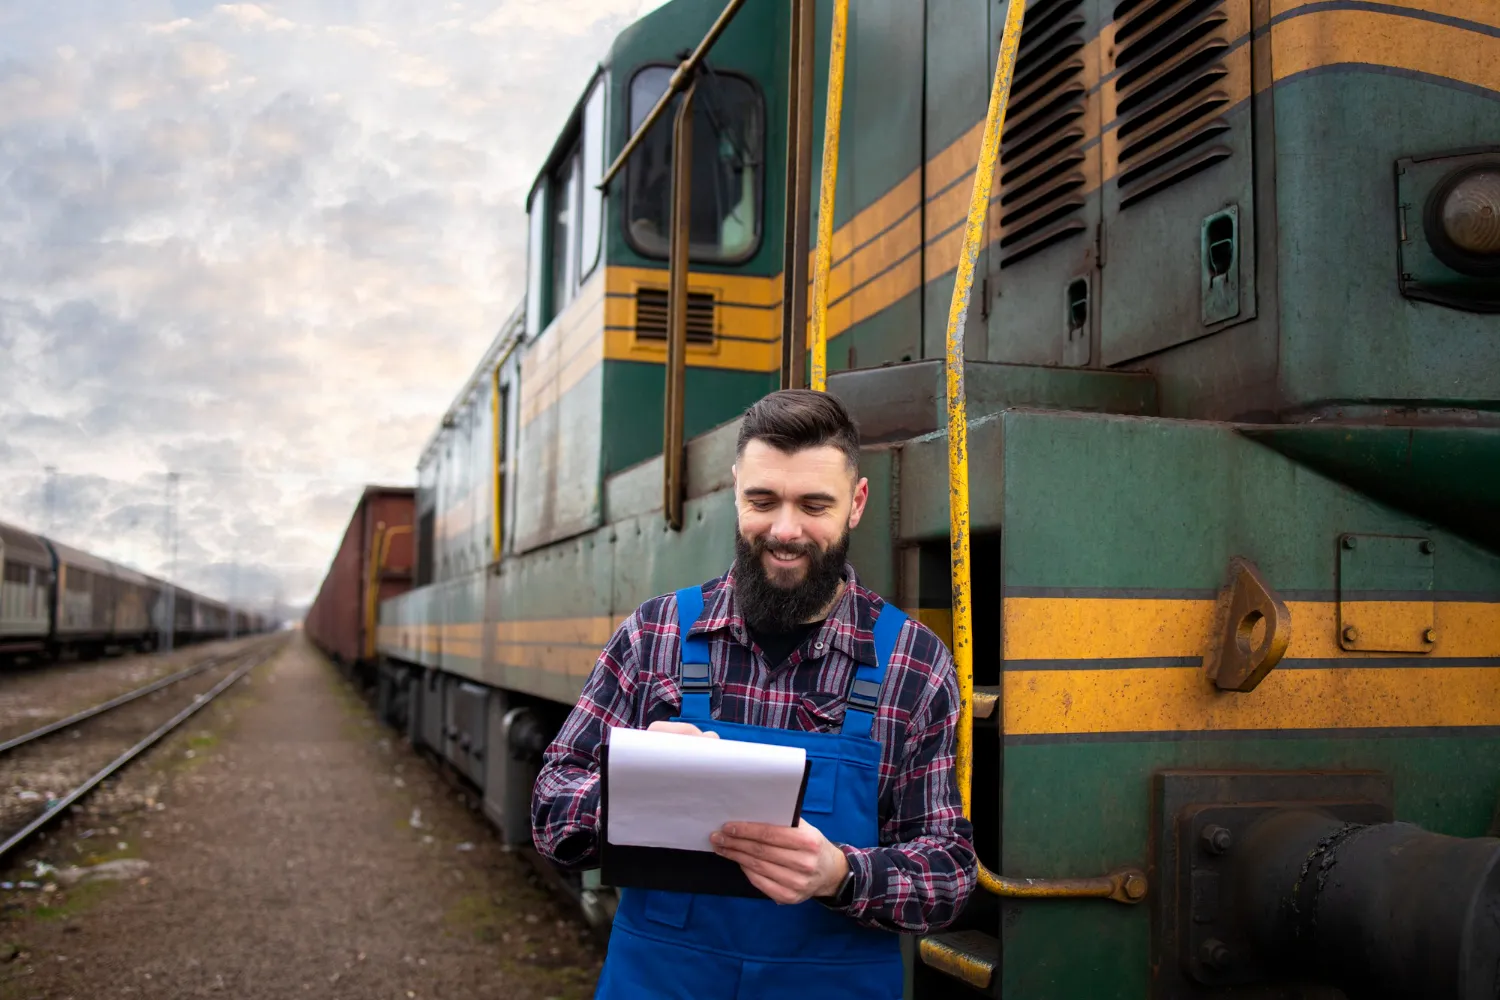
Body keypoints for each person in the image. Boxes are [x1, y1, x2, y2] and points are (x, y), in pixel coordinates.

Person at [531, 389, 977, 999]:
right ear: (735, 491)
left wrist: (842, 874)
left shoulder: (913, 663)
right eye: (762, 500)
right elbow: (551, 812)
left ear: (857, 504)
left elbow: (949, 874)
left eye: (814, 504)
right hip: (662, 981)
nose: (784, 530)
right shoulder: (654, 634)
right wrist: (633, 787)